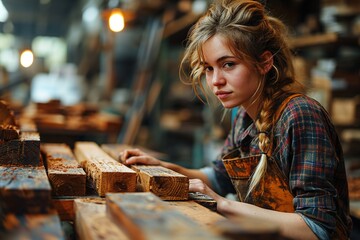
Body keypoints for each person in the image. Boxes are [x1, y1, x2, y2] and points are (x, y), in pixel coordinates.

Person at [121, 0, 353, 239]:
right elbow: (219, 178)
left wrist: (222, 204)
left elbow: (317, 229)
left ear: (264, 62)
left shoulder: (300, 115)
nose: (215, 81)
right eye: (209, 68)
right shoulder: (244, 115)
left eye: (228, 64)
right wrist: (167, 169)